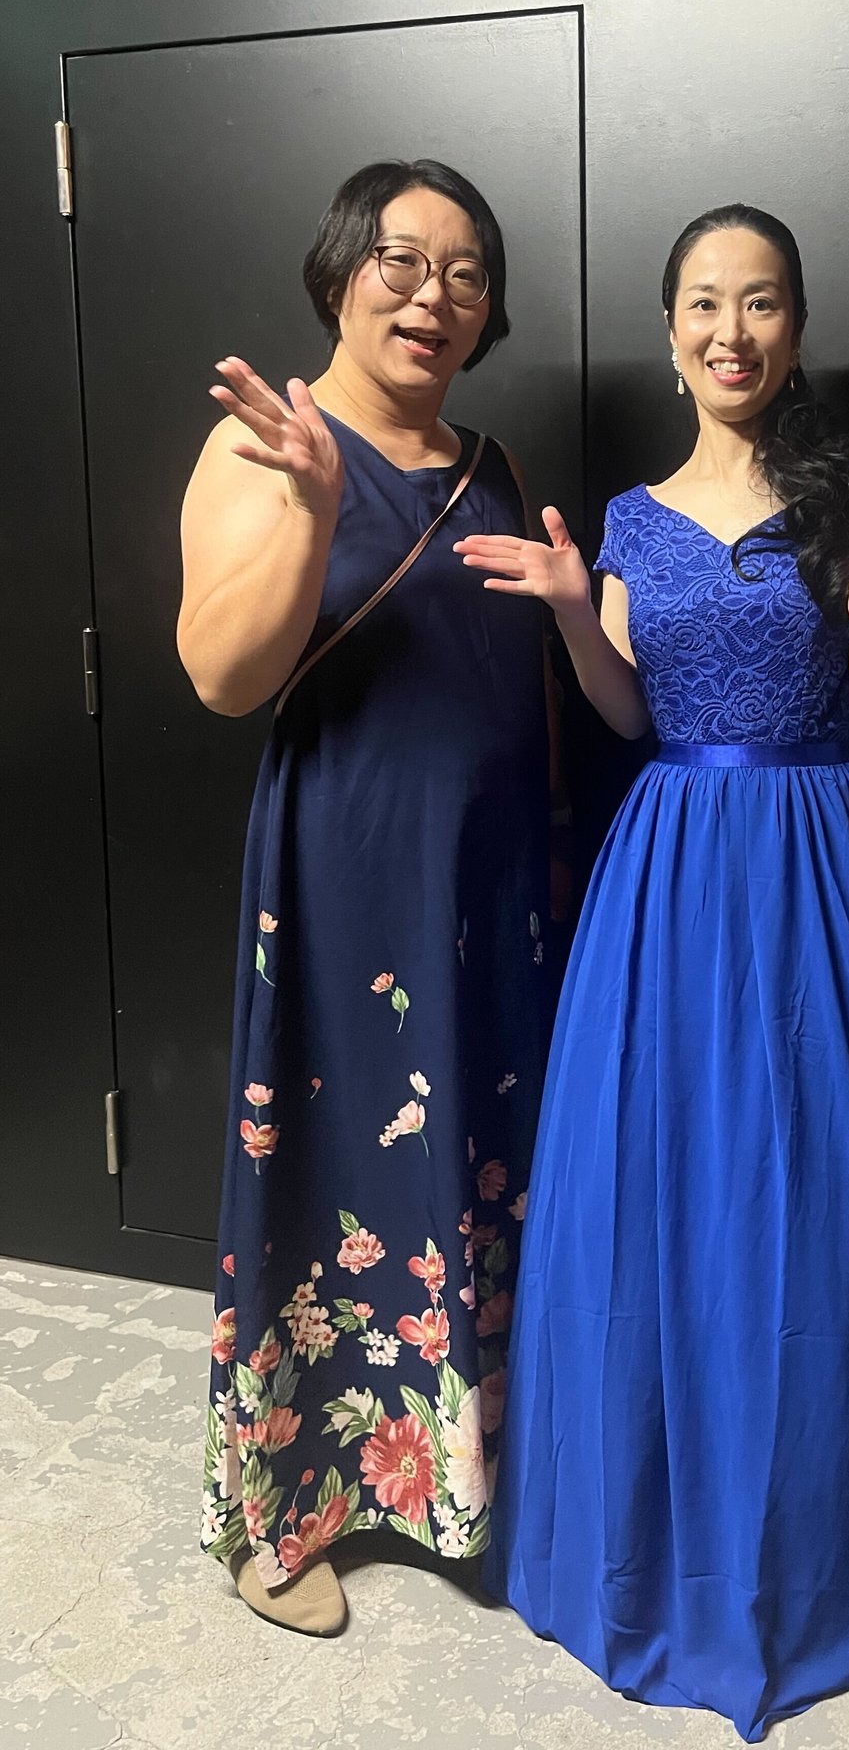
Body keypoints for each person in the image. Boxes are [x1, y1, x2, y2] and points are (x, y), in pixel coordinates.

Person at [463, 204, 849, 1740]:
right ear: (672, 329)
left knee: (830, 1183)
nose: (731, 330)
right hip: (675, 859)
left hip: (826, 851)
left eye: (760, 303)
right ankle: (662, 1535)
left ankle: (839, 1547)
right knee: (671, 1179)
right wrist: (574, 619)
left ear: (795, 331)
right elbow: (627, 717)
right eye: (704, 302)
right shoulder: (626, 519)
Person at [179, 159, 553, 1636]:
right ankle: (283, 1510)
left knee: (480, 1163)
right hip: (347, 875)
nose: (432, 296)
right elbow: (222, 676)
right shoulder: (264, 444)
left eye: (466, 273)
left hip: (493, 879)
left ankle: (459, 1484)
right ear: (341, 272)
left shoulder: (492, 458)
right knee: (327, 1167)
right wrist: (310, 506)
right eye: (403, 261)